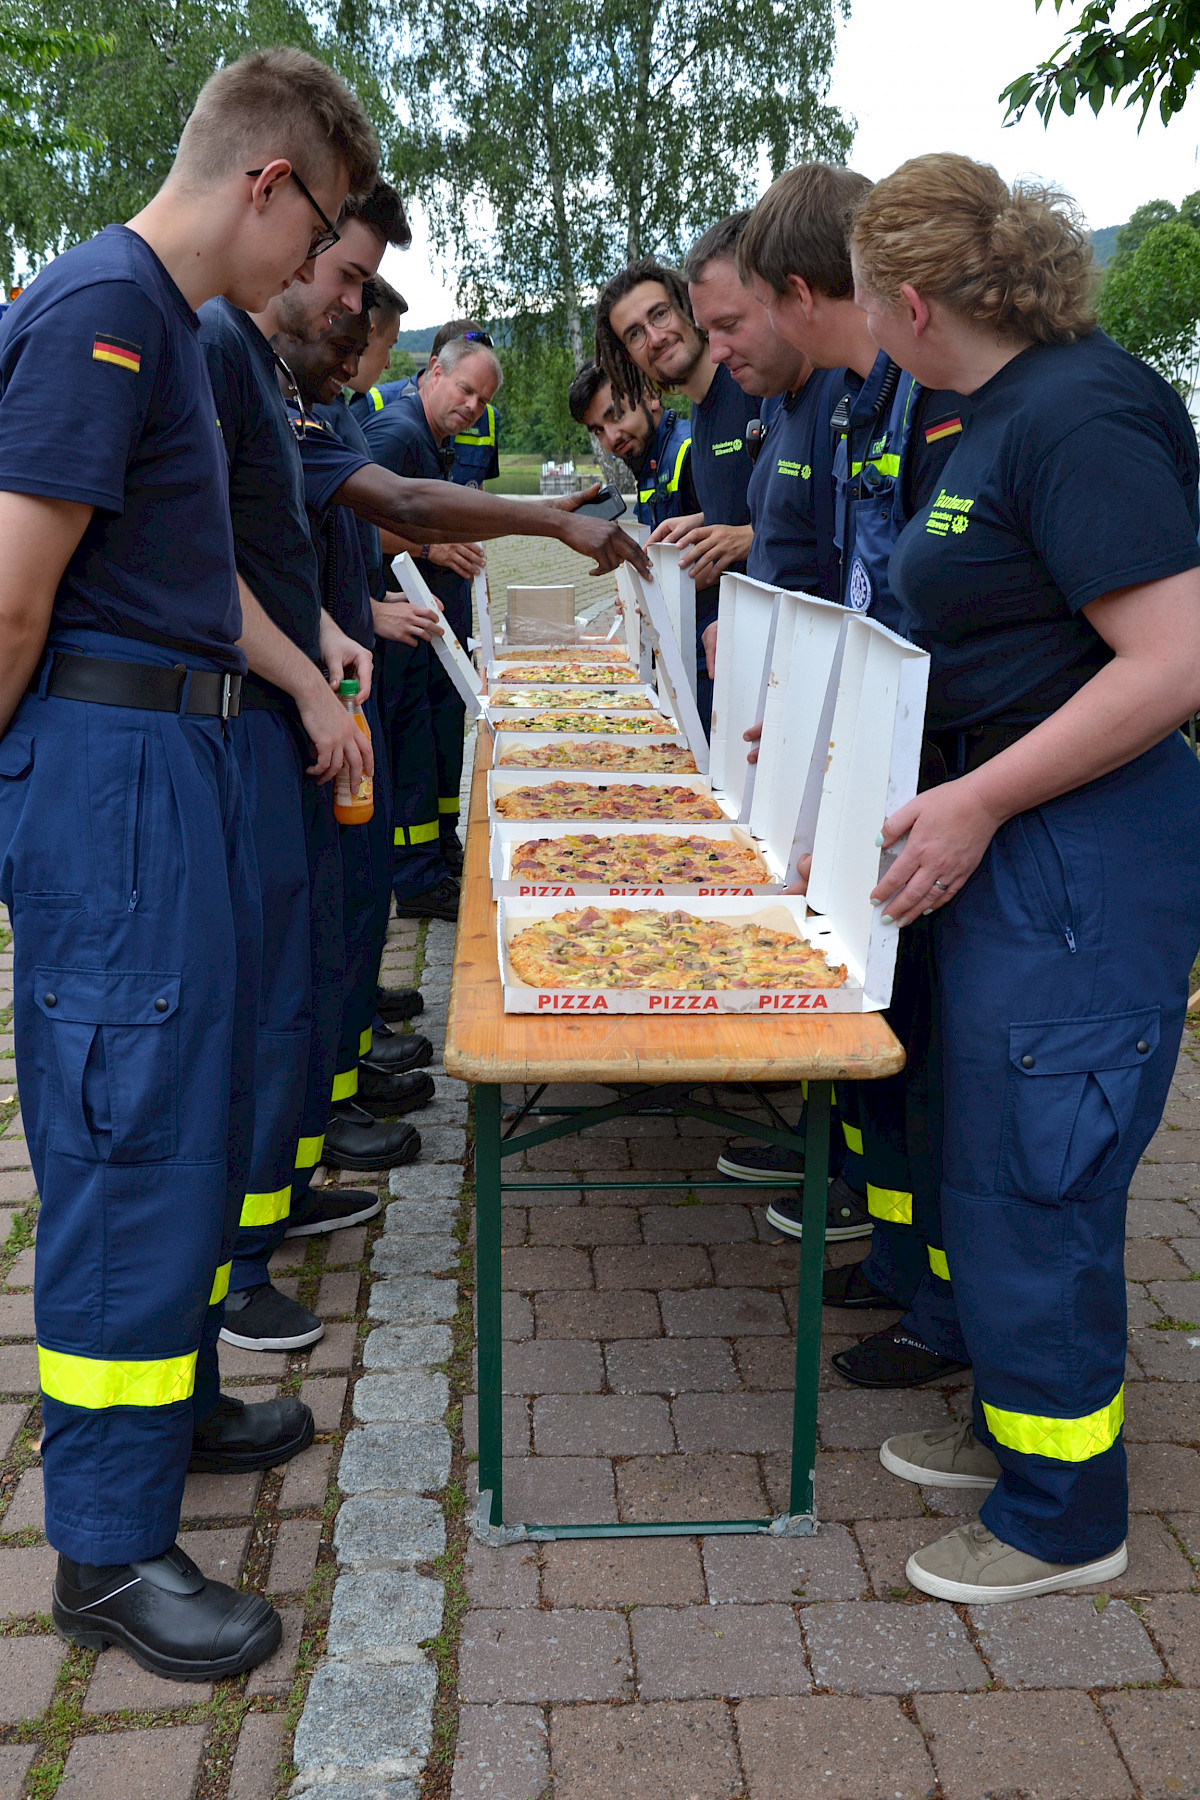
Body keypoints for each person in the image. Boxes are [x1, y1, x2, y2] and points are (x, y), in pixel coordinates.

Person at [0, 45, 373, 1679]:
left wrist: (300, 680)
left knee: (192, 1111)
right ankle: (103, 1545)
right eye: (325, 233)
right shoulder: (103, 309)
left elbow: (184, 568)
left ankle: (175, 1400)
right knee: (128, 1140)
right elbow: (16, 596)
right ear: (270, 181)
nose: (320, 275)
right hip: (111, 774)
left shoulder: (164, 319)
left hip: (181, 751)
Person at [847, 152, 1200, 1600]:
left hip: (1075, 847)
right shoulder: (989, 413)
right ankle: (1021, 1432)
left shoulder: (1079, 410)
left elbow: (1174, 661)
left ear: (913, 303)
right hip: (1005, 826)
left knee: (1041, 1169)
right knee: (988, 1153)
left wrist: (981, 797)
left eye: (872, 311)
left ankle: (1067, 1517)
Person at [735, 163, 974, 1390]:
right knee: (891, 1030)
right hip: (879, 755)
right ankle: (902, 1256)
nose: (750, 343)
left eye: (746, 317)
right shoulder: (856, 397)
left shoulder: (932, 398)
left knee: (926, 1051)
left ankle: (941, 1296)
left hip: (936, 774)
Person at [201, 179, 426, 1358]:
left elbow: (288, 551)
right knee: (251, 1005)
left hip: (292, 712)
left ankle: (275, 1202)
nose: (353, 305)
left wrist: (330, 633)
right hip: (237, 728)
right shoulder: (208, 344)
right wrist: (301, 667)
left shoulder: (275, 374)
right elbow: (200, 562)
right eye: (343, 276)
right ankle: (235, 1265)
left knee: (295, 983)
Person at [276, 298, 439, 1136]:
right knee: (324, 913)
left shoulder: (322, 404)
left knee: (356, 890)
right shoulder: (278, 396)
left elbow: (326, 557)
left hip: (338, 680)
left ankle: (346, 1065)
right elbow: (391, 509)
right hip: (297, 702)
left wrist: (350, 617)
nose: (357, 360)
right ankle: (329, 1098)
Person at [596, 257, 760, 732]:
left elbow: (817, 514)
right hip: (726, 654)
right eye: (634, 334)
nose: (654, 336)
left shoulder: (752, 385)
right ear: (630, 356)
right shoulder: (701, 410)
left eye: (660, 314)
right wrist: (707, 520)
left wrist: (748, 536)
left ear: (689, 308)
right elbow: (752, 502)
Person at [363, 336, 499, 910]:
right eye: (465, 390)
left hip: (426, 621)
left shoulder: (433, 437)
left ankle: (439, 856)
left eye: (482, 400)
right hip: (392, 620)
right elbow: (350, 518)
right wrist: (432, 546)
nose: (472, 406)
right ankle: (416, 878)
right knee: (410, 749)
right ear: (432, 374)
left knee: (434, 744)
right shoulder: (396, 434)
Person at [567, 362, 697, 531]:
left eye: (617, 415)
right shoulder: (649, 459)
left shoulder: (693, 454)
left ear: (649, 395)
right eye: (599, 430)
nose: (612, 437)